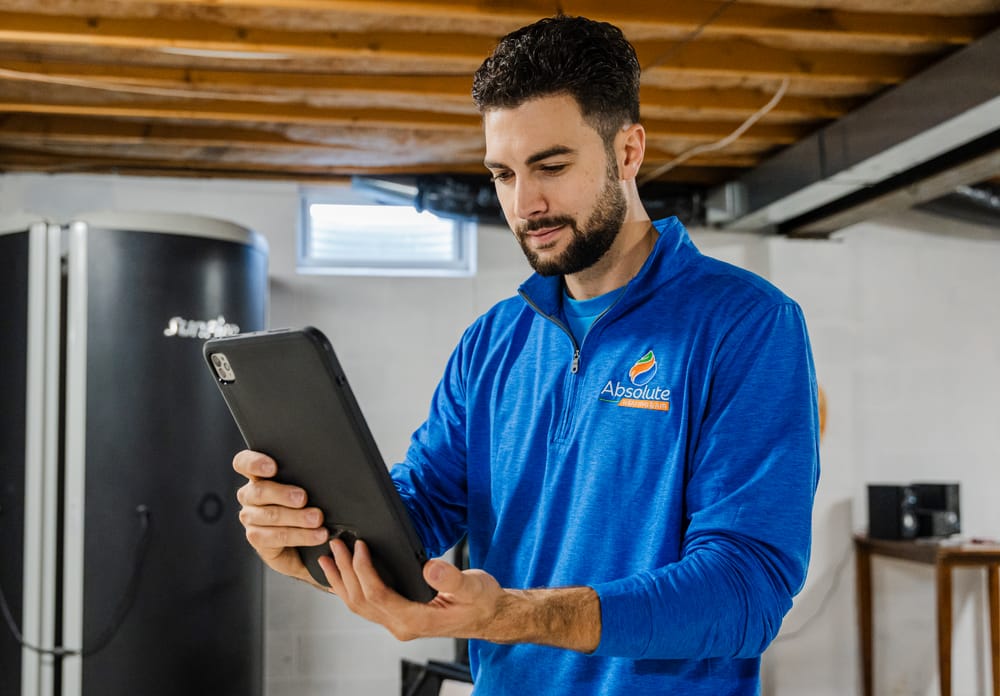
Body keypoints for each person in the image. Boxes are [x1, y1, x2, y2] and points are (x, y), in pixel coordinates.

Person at [233, 14, 820, 695]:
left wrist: (512, 615)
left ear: (628, 152)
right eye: (503, 173)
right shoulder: (493, 341)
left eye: (551, 166)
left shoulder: (746, 324)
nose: (524, 203)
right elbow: (418, 509)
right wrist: (305, 541)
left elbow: (746, 589)